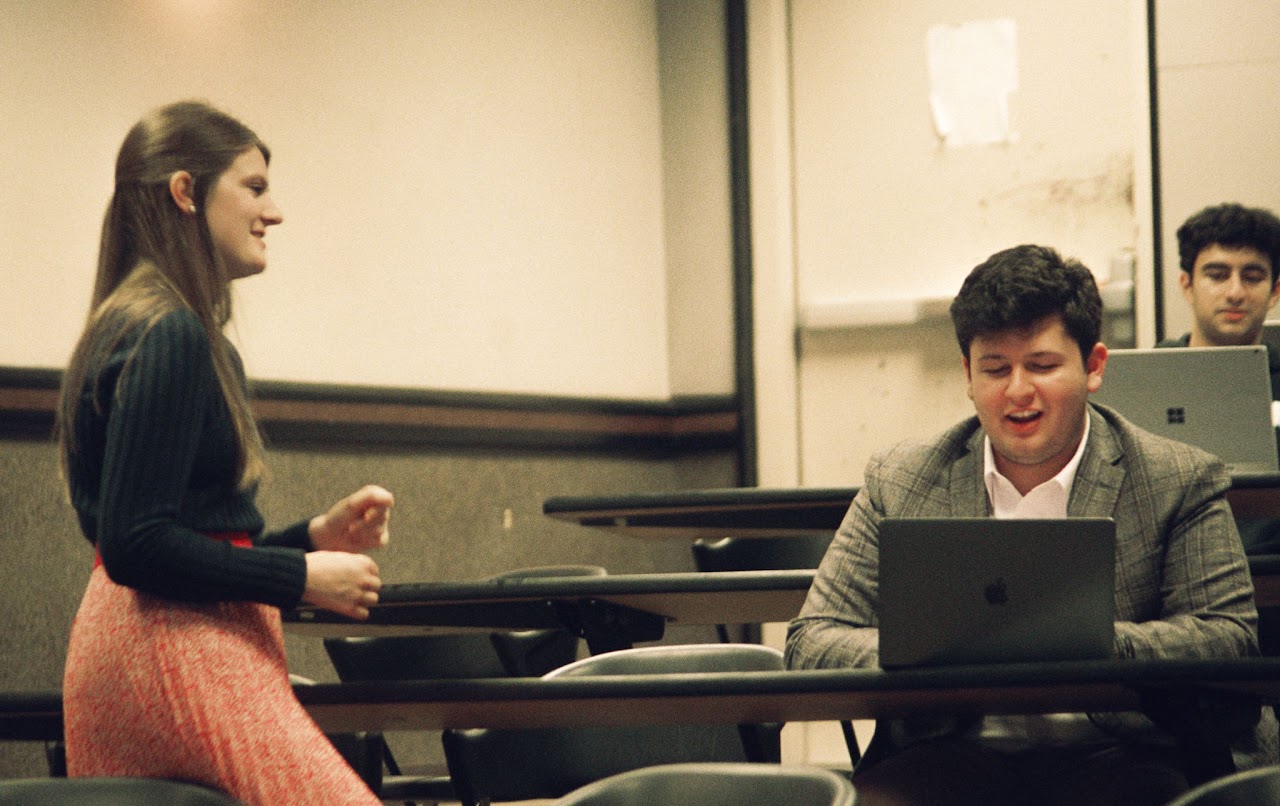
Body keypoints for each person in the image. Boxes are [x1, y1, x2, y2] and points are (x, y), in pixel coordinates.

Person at [786, 244, 1270, 806]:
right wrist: (934, 649)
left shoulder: (1176, 476)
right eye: (995, 369)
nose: (1017, 391)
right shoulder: (903, 478)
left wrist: (1085, 643)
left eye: (1041, 365)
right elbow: (811, 642)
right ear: (967, 375)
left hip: (1132, 750)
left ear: (1093, 367)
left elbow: (1228, 639)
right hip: (949, 755)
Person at [56, 101, 392, 805]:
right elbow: (136, 544)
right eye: (255, 187)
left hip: (142, 640)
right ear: (185, 192)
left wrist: (310, 539)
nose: (274, 212)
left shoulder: (142, 320)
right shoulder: (170, 331)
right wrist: (299, 576)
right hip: (171, 647)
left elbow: (189, 537)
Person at [1159, 202, 1280, 555]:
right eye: (1217, 274)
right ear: (1187, 285)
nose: (1235, 292)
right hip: (1173, 564)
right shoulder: (1149, 378)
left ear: (1274, 291)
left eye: (1253, 277)